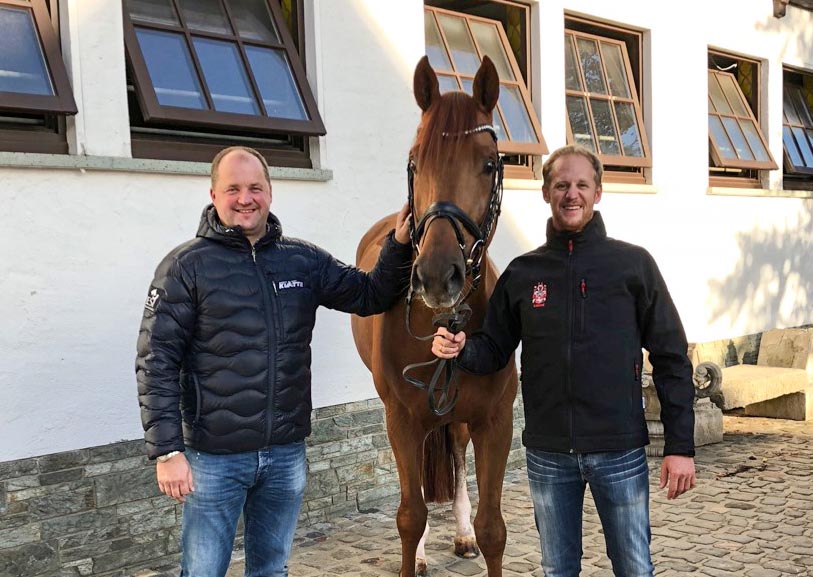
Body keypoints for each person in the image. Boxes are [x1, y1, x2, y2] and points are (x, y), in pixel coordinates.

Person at [136, 145, 412, 577]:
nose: (245, 198)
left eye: (255, 188)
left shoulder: (302, 260)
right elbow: (156, 363)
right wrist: (168, 451)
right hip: (214, 459)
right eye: (233, 189)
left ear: (270, 193)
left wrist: (397, 244)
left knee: (271, 570)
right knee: (203, 571)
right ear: (213, 195)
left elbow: (370, 294)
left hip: (284, 455)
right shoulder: (184, 268)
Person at [432, 144, 696, 577]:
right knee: (558, 569)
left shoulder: (633, 266)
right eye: (561, 185)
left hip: (620, 450)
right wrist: (462, 350)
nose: (570, 194)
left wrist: (680, 446)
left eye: (580, 185)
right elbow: (494, 348)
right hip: (549, 453)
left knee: (634, 566)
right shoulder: (523, 273)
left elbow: (671, 357)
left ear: (597, 193)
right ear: (545, 193)